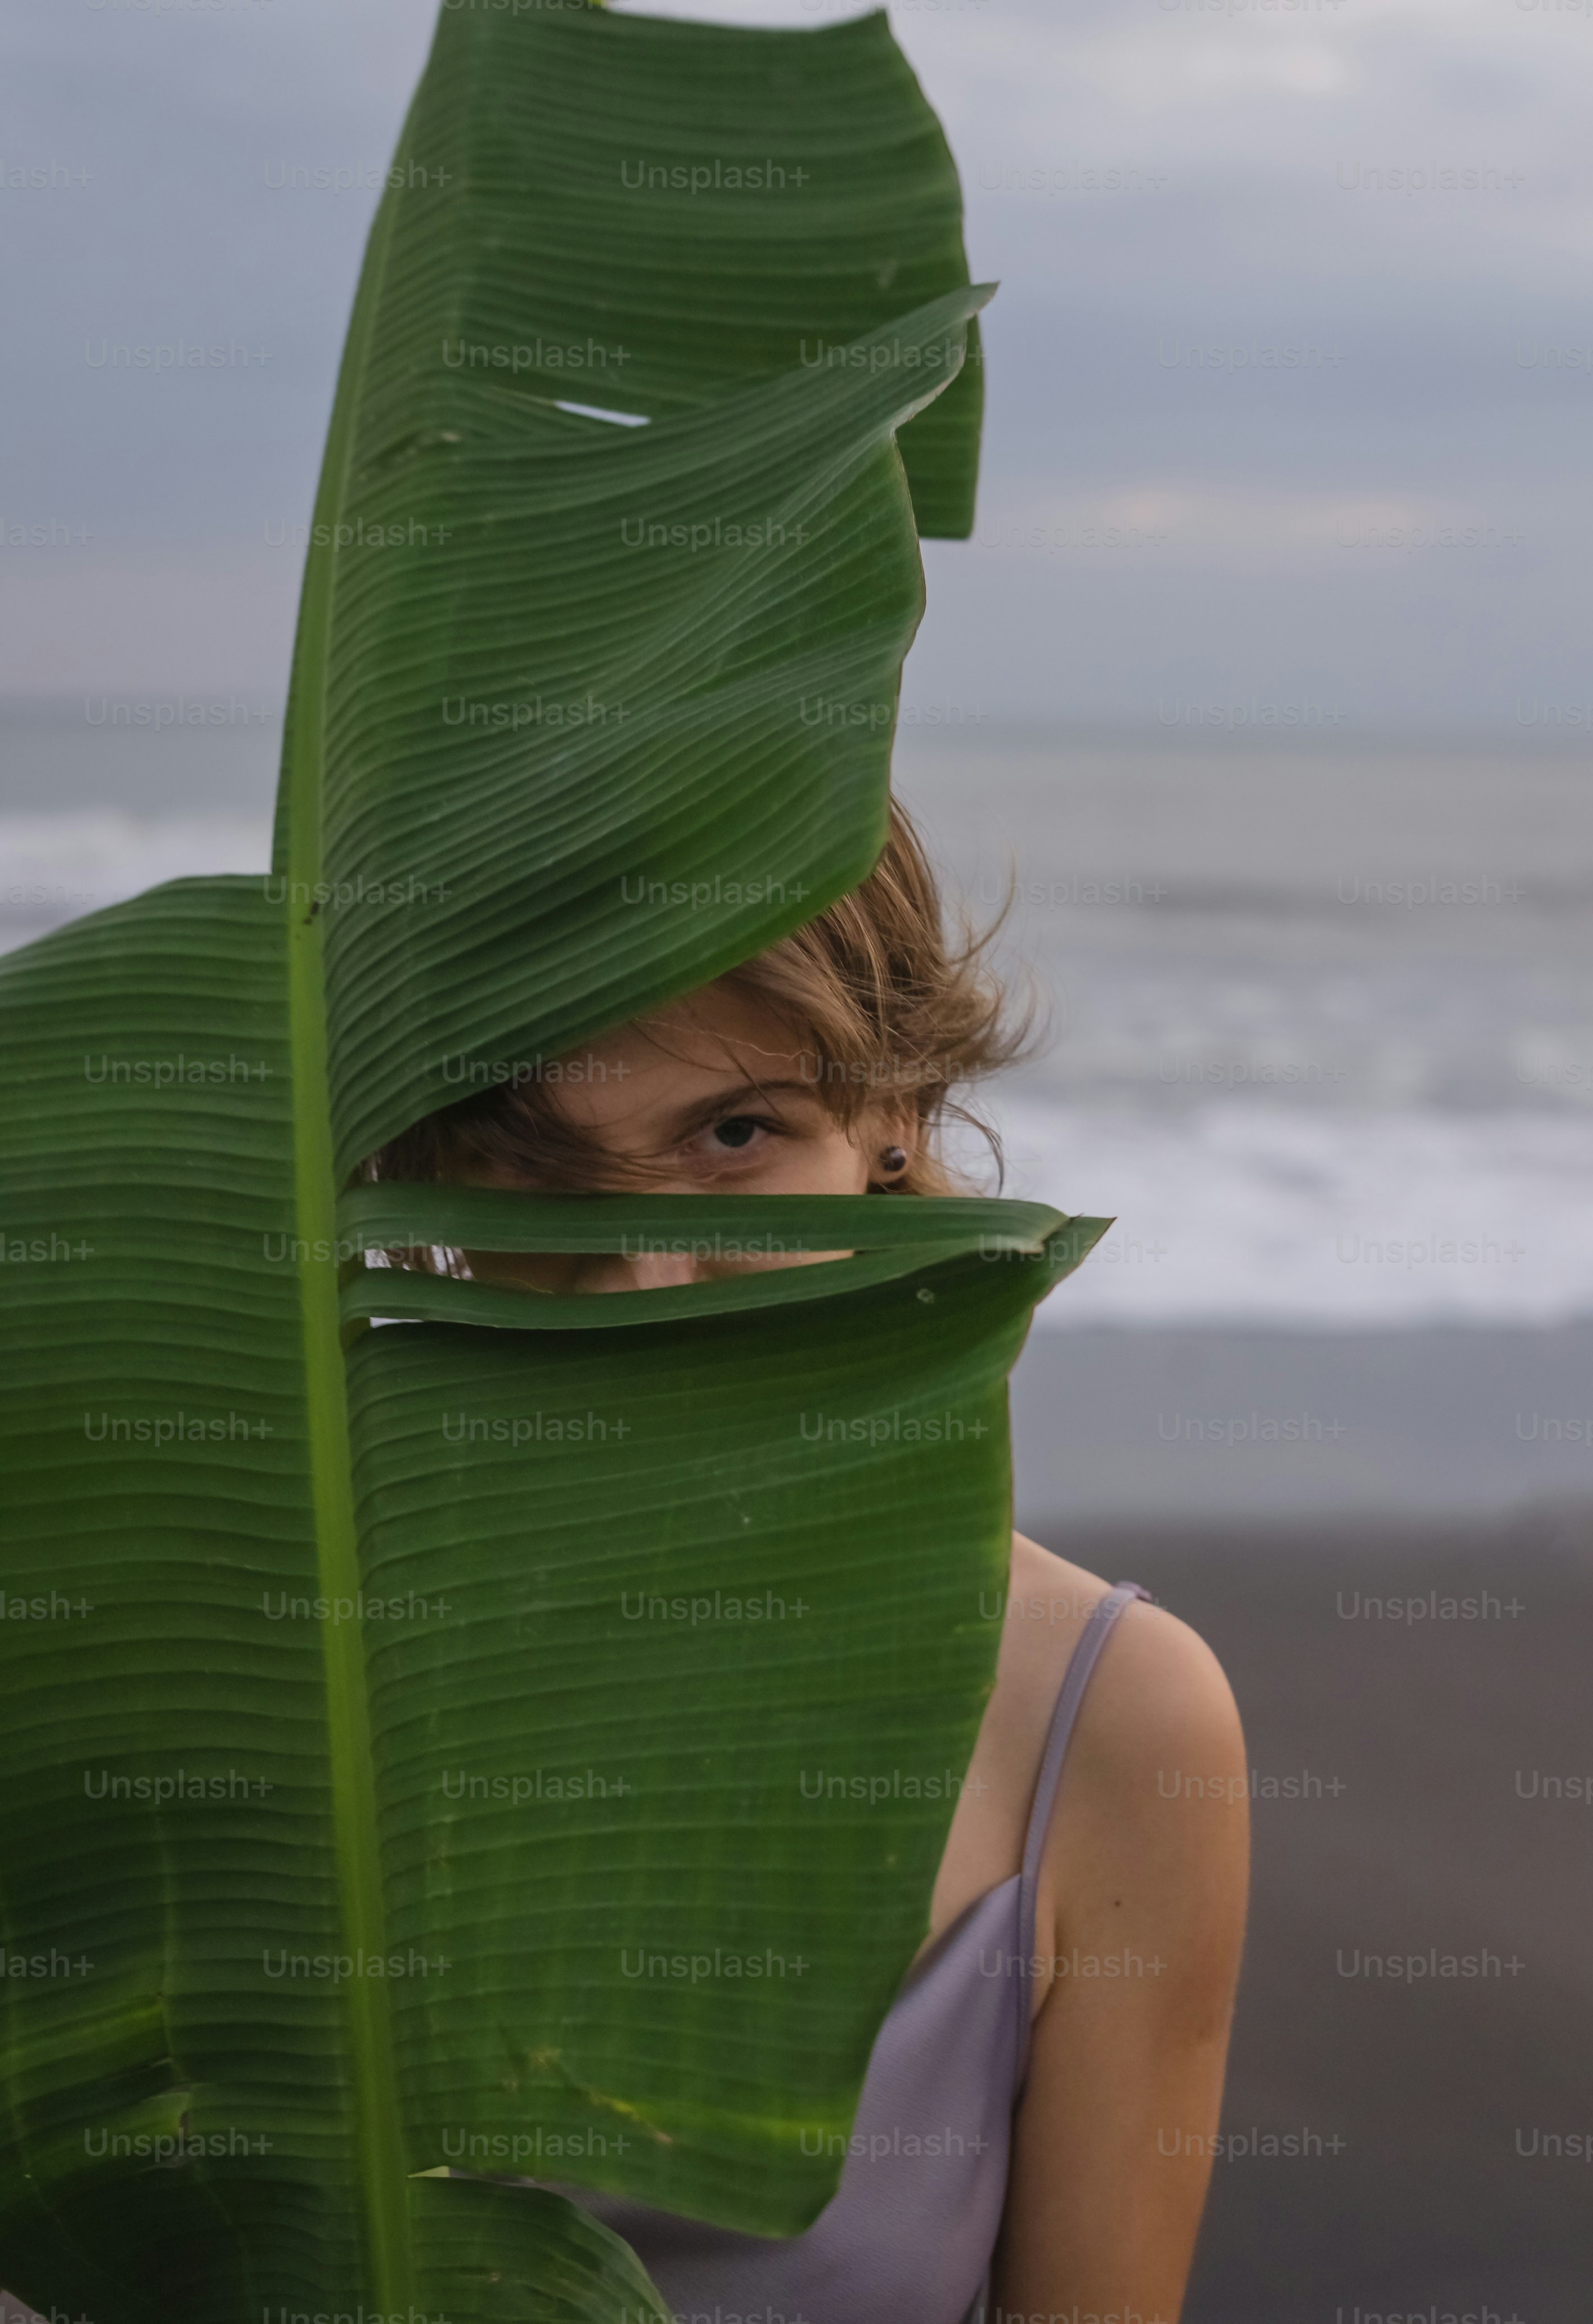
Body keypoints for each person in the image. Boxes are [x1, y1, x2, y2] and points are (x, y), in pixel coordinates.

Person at [372, 801, 1250, 2323]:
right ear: (421, 1166)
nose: (643, 1275)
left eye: (734, 1134)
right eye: (527, 1160)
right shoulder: (278, 1655)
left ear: (893, 1117)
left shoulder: (1105, 1722)